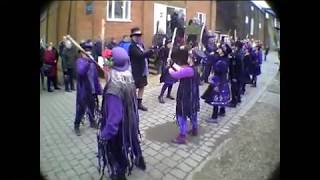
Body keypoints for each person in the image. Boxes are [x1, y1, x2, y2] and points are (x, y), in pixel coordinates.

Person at [97, 47, 146, 180]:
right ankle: (140, 160)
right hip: (131, 121)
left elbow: (114, 120)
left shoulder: (114, 88)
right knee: (133, 140)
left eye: (107, 65)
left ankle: (120, 174)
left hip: (119, 129)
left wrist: (104, 135)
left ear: (111, 66)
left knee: (117, 150)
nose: (105, 68)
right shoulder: (128, 77)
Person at [169, 47, 200, 144]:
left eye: (190, 57)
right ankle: (195, 129)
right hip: (192, 95)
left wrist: (169, 68)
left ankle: (182, 137)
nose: (187, 57)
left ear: (192, 59)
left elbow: (175, 74)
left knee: (181, 115)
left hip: (185, 96)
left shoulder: (189, 70)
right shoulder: (193, 69)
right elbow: (181, 69)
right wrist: (173, 64)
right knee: (193, 113)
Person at [74, 41, 99, 136]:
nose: (89, 53)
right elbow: (81, 72)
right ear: (81, 53)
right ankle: (76, 125)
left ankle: (92, 122)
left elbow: (95, 77)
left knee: (92, 107)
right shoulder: (80, 61)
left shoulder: (92, 62)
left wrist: (98, 88)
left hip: (92, 90)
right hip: (83, 90)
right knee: (81, 108)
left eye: (90, 51)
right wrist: (88, 62)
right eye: (86, 52)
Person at [201, 47, 231, 123]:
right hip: (221, 81)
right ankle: (222, 111)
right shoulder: (222, 59)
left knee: (216, 99)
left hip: (219, 81)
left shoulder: (222, 62)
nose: (218, 49)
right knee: (221, 97)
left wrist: (217, 84)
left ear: (223, 52)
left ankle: (214, 117)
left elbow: (220, 73)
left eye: (221, 48)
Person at [128, 27, 154, 111]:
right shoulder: (132, 47)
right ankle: (132, 104)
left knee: (142, 86)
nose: (138, 37)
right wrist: (150, 52)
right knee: (134, 88)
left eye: (139, 36)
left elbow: (145, 54)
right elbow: (140, 56)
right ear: (132, 37)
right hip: (136, 71)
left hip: (142, 70)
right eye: (136, 36)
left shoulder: (140, 45)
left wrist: (152, 51)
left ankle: (139, 103)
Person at [158, 39, 177, 103]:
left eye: (171, 43)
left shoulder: (173, 50)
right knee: (167, 82)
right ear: (167, 44)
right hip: (167, 68)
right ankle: (160, 96)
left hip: (173, 67)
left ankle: (168, 94)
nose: (171, 45)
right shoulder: (164, 50)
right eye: (169, 44)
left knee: (172, 81)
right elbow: (161, 56)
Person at [228, 41, 244, 107]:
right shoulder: (241, 52)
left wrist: (234, 76)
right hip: (239, 75)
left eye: (235, 46)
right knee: (238, 87)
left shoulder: (237, 55)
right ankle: (238, 99)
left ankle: (234, 102)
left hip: (236, 75)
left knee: (234, 88)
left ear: (237, 46)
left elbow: (235, 67)